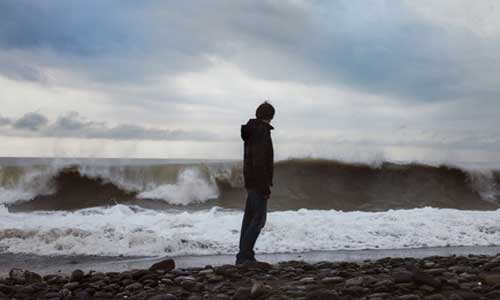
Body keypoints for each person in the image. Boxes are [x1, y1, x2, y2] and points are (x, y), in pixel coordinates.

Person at [236, 101, 275, 265]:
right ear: (271, 117)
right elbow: (259, 161)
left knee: (250, 218)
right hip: (258, 181)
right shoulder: (261, 132)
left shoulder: (251, 130)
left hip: (250, 179)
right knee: (259, 219)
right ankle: (244, 255)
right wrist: (265, 186)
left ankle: (245, 254)